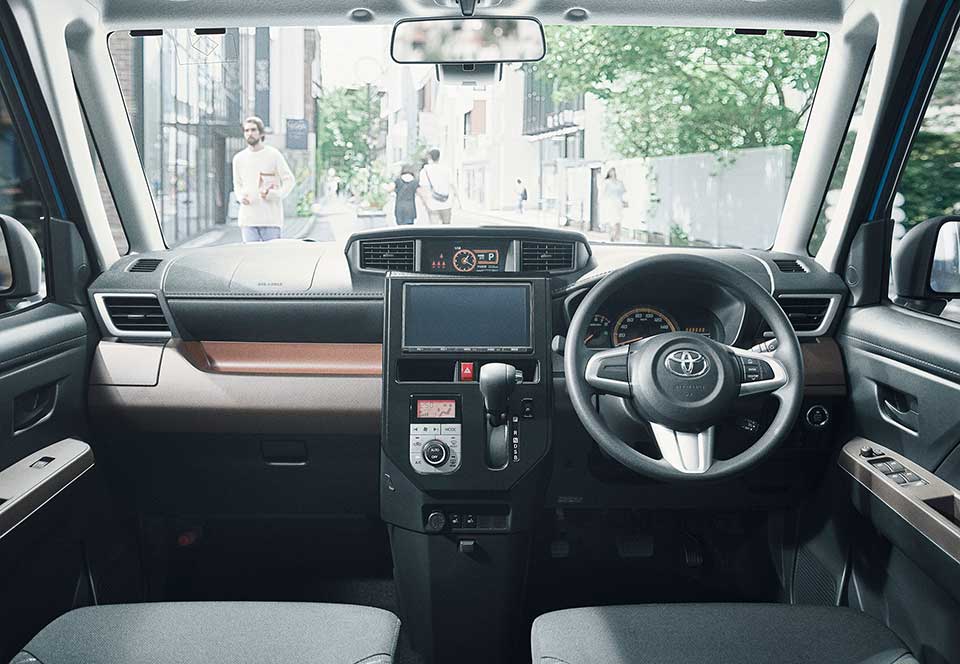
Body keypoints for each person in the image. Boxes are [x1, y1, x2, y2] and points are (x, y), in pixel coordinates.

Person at [232, 116, 294, 243]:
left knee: (270, 259)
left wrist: (277, 195)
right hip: (248, 218)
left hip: (270, 218)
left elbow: (289, 180)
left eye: (253, 130)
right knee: (250, 258)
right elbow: (237, 184)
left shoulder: (273, 154)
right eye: (247, 130)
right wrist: (240, 197)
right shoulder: (239, 158)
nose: (250, 133)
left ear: (261, 133)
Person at [417, 148, 456, 225]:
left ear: (429, 157)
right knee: (447, 228)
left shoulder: (424, 171)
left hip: (432, 203)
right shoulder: (446, 169)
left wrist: (425, 203)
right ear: (439, 157)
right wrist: (457, 201)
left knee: (434, 229)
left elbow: (424, 189)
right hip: (446, 202)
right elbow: (452, 185)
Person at [600, 167, 627, 242]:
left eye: (614, 171)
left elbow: (623, 193)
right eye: (611, 171)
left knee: (618, 220)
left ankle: (617, 235)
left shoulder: (619, 182)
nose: (613, 173)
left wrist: (624, 201)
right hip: (610, 203)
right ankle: (612, 234)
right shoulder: (607, 182)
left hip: (618, 203)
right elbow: (603, 193)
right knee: (611, 220)